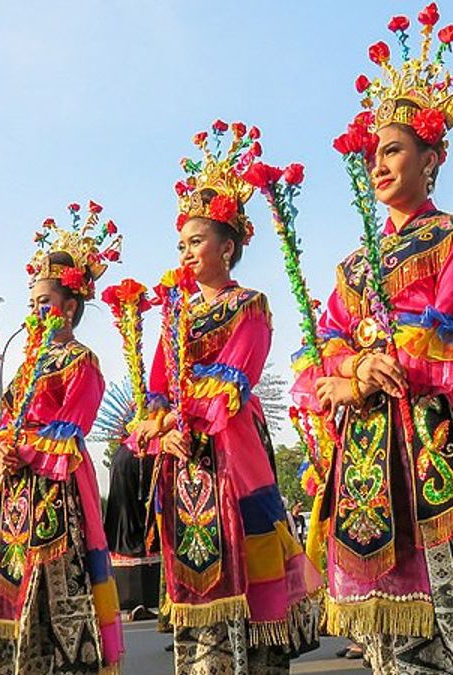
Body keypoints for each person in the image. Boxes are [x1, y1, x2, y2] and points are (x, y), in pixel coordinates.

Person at [296, 7, 453, 673]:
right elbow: (323, 343)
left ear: (431, 159)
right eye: (375, 152)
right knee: (387, 616)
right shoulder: (353, 265)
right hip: (368, 443)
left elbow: (451, 332)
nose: (380, 163)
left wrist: (379, 362)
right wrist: (351, 372)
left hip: (437, 432)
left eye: (395, 149)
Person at [132, 122, 321, 675]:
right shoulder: (176, 315)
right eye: (182, 244)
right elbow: (157, 384)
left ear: (228, 246)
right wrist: (157, 421)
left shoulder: (250, 305)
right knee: (197, 556)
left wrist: (180, 413)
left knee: (249, 544)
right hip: (183, 454)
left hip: (231, 441)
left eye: (197, 241)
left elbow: (236, 375)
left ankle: (258, 659)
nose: (187, 252)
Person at [0, 202, 124, 675]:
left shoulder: (81, 362)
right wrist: (0, 450)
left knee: (58, 583)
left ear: (70, 307)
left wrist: (17, 450)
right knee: (15, 584)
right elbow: (5, 422)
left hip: (55, 491)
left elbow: (68, 432)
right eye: (32, 304)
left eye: (44, 303)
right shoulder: (23, 370)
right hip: (18, 491)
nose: (36, 311)